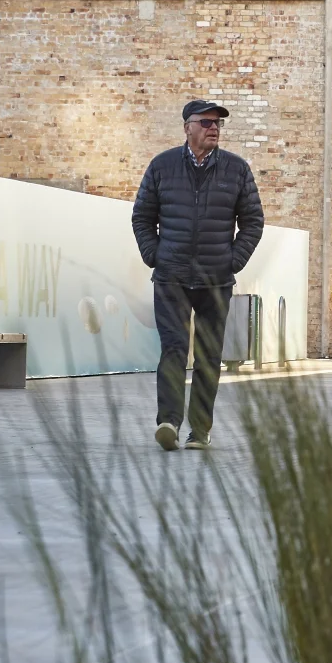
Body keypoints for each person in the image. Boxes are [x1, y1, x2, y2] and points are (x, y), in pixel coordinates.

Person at [131, 98, 264, 451]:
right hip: (171, 277)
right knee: (173, 350)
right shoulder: (162, 166)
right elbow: (142, 216)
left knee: (208, 356)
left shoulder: (236, 170)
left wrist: (232, 261)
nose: (214, 129)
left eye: (218, 124)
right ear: (187, 127)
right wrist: (154, 255)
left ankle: (200, 430)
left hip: (215, 280)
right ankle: (169, 423)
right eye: (206, 123)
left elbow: (253, 222)